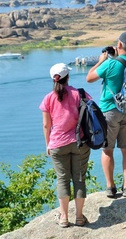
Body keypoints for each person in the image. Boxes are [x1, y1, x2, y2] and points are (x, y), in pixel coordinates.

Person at [86, 31, 126, 198]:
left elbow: (89, 78)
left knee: (107, 150)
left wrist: (101, 61)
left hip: (110, 111)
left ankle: (111, 187)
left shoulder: (111, 65)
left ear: (119, 45)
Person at [39, 63, 91, 227]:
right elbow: (92, 114)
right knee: (79, 179)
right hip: (79, 142)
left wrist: (48, 144)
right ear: (68, 77)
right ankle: (80, 217)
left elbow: (47, 125)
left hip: (57, 144)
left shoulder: (48, 98)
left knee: (62, 180)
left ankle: (63, 218)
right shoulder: (80, 94)